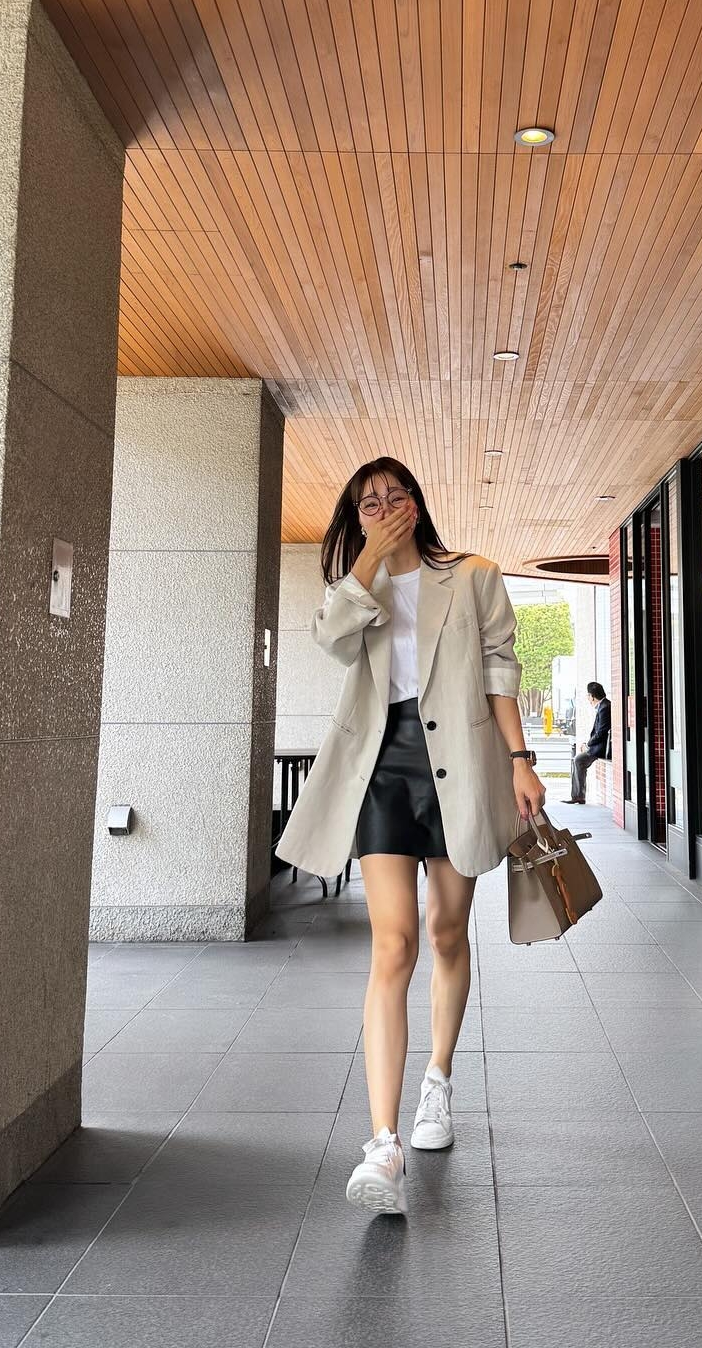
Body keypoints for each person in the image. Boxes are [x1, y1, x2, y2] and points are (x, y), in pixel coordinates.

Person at [275, 457, 545, 1216]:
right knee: (392, 945)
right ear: (355, 517)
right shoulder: (357, 588)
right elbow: (330, 639)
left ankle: (438, 1081)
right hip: (381, 772)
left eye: (395, 496)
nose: (385, 507)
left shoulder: (473, 576)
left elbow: (500, 670)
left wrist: (520, 759)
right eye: (368, 502)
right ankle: (383, 1143)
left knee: (446, 932)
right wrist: (367, 559)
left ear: (418, 504)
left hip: (462, 768)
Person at [565, 681, 612, 805]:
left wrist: (588, 745)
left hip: (601, 748)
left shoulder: (604, 708)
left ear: (592, 696)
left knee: (578, 760)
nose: (587, 698)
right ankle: (578, 795)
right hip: (598, 745)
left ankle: (578, 796)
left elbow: (601, 733)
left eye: (588, 695)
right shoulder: (604, 706)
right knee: (577, 760)